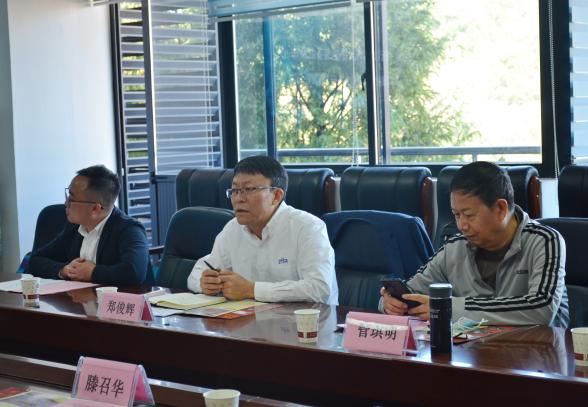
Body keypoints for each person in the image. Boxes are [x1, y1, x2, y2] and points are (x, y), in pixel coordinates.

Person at [380, 161, 569, 327]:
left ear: (500, 209)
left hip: (537, 352)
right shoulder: (455, 248)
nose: (461, 225)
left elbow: (541, 308)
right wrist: (390, 303)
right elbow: (412, 290)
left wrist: (449, 307)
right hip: (475, 352)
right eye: (456, 215)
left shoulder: (544, 241)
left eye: (469, 215)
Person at [187, 156, 338, 304]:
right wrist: (205, 283)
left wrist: (252, 290)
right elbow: (198, 272)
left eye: (249, 189)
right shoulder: (233, 229)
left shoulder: (308, 227)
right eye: (235, 190)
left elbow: (319, 289)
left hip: (305, 319)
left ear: (276, 196)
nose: (238, 198)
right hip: (252, 317)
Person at [29, 165, 151, 285]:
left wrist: (92, 272)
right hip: (81, 296)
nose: (66, 203)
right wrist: (63, 270)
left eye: (71, 199)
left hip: (125, 297)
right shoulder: (74, 226)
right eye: (67, 195)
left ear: (95, 208)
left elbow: (134, 273)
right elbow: (35, 260)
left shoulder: (129, 230)